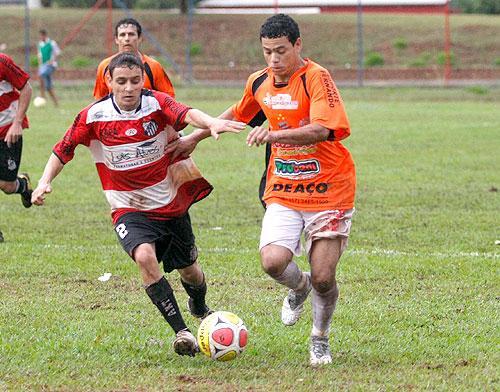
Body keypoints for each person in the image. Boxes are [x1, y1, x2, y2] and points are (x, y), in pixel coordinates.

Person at [168, 14, 356, 366]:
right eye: (267, 51)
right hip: (284, 187)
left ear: (298, 45)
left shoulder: (317, 78)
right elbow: (241, 113)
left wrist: (274, 135)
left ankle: (320, 338)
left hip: (329, 189)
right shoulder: (260, 81)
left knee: (325, 276)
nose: (273, 59)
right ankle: (299, 289)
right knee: (272, 262)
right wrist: (195, 137)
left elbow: (322, 129)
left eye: (280, 51)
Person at [31, 52, 246, 356]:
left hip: (169, 204)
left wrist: (210, 122)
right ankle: (181, 332)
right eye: (121, 82)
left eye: (135, 81)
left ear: (143, 80)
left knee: (191, 272)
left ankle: (199, 305)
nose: (129, 88)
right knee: (144, 257)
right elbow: (63, 149)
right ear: (108, 82)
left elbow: (186, 113)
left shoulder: (156, 103)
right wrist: (44, 181)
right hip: (127, 208)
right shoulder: (94, 116)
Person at [93, 18, 175, 100]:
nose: (127, 39)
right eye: (122, 35)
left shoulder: (153, 66)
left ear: (139, 38)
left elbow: (168, 99)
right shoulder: (104, 66)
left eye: (131, 34)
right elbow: (100, 99)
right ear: (116, 39)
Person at [0, 53, 34, 243]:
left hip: (7, 131)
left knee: (5, 185)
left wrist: (17, 123)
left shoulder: (2, 62)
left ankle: (22, 185)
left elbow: (26, 88)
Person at [37, 29, 60, 107]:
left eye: (41, 36)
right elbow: (40, 56)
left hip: (51, 65)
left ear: (44, 35)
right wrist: (40, 66)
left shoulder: (52, 43)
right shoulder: (40, 44)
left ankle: (42, 96)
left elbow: (57, 53)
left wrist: (52, 61)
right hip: (43, 66)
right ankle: (56, 102)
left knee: (41, 75)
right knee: (48, 86)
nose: (40, 37)